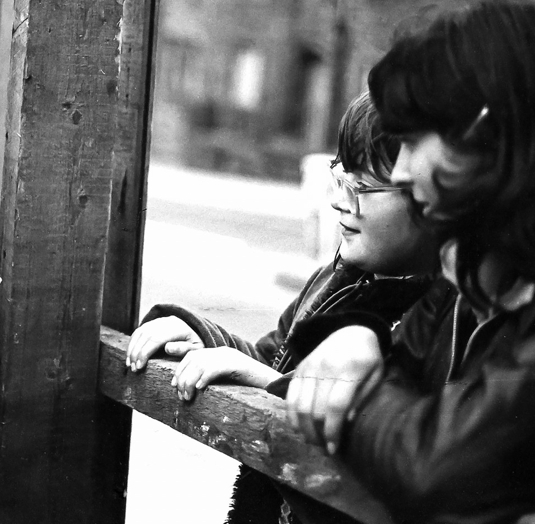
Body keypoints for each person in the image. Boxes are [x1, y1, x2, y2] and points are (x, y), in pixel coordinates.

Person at [285, 0, 535, 523]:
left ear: (486, 131)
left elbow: (436, 470)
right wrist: (358, 336)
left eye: (412, 141)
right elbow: (400, 389)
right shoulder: (472, 277)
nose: (403, 173)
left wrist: (357, 389)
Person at [126, 91, 448, 524]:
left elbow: (380, 448)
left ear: (430, 197)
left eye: (361, 187)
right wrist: (201, 336)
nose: (338, 201)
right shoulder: (335, 282)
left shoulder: (440, 318)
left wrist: (268, 383)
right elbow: (270, 357)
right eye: (339, 176)